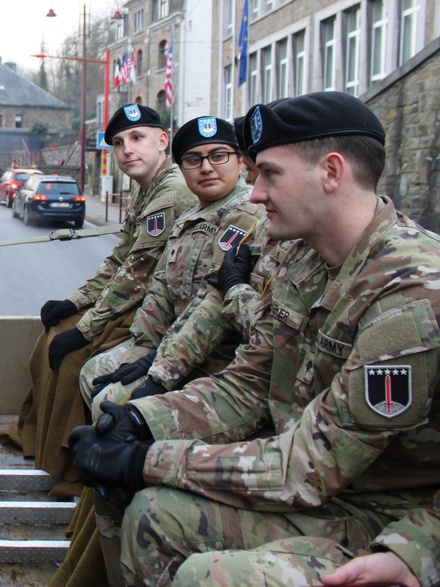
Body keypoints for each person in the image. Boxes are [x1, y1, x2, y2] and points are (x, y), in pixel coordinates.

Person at [68, 91, 440, 586]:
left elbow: (307, 466)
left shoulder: (409, 294)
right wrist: (141, 419)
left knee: (206, 575)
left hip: (389, 519)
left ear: (331, 172)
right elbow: (249, 382)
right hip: (326, 489)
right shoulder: (302, 257)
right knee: (148, 513)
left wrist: (144, 459)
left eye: (269, 174)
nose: (256, 192)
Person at [0, 104, 196, 496]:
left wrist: (85, 325)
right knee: (56, 329)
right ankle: (42, 443)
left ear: (162, 141)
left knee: (74, 353)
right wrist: (74, 302)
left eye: (137, 139)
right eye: (119, 143)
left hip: (157, 311)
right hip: (136, 299)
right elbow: (118, 262)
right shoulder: (147, 190)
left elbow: (135, 277)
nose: (127, 151)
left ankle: (72, 468)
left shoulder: (171, 194)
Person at [79, 116, 265, 410]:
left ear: (240, 162)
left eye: (218, 156)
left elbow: (212, 307)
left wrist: (159, 364)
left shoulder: (246, 215)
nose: (206, 168)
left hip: (216, 356)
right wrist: (143, 344)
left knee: (113, 402)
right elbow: (160, 289)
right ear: (182, 168)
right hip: (171, 344)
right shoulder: (188, 218)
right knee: (93, 372)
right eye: (193, 160)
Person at [171, 488, 438, 586]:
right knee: (156, 509)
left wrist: (413, 554)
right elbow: (250, 382)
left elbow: (310, 460)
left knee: (201, 577)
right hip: (339, 495)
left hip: (399, 526)